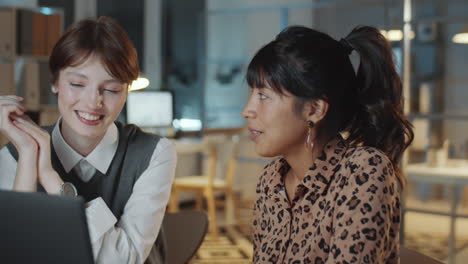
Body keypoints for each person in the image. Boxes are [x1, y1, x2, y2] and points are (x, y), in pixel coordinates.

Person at [0, 17, 176, 264]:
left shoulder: (154, 153)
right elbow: (16, 254)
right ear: (54, 83)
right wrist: (29, 158)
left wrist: (51, 177)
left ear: (126, 92)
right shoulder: (16, 153)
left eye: (112, 89)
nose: (93, 102)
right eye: (77, 84)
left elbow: (124, 259)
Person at [242, 25, 414, 263]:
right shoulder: (271, 180)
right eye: (252, 93)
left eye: (263, 95)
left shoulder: (363, 171)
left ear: (314, 109)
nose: (247, 111)